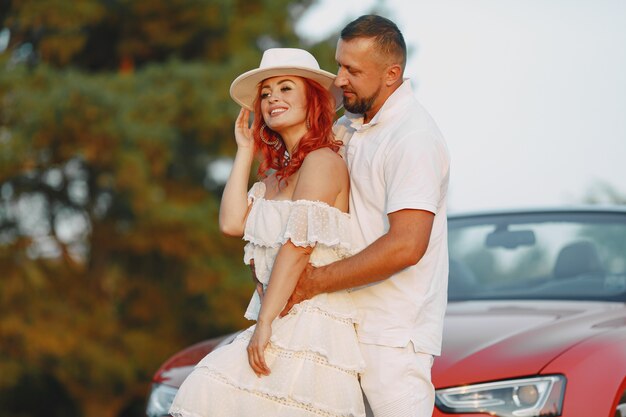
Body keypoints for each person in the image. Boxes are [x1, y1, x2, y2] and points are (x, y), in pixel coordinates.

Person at [169, 48, 366, 417]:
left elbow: (297, 249)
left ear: (314, 100)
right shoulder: (273, 178)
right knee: (204, 392)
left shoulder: (323, 162)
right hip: (276, 318)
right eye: (265, 93)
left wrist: (264, 324)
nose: (273, 97)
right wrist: (245, 149)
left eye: (286, 88)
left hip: (311, 329)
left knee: (211, 391)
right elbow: (231, 223)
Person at [279, 15, 451, 417]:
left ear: (392, 74)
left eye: (352, 70)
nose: (339, 79)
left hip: (391, 340)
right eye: (340, 65)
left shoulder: (413, 138)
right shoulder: (350, 127)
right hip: (339, 327)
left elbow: (407, 245)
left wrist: (313, 282)